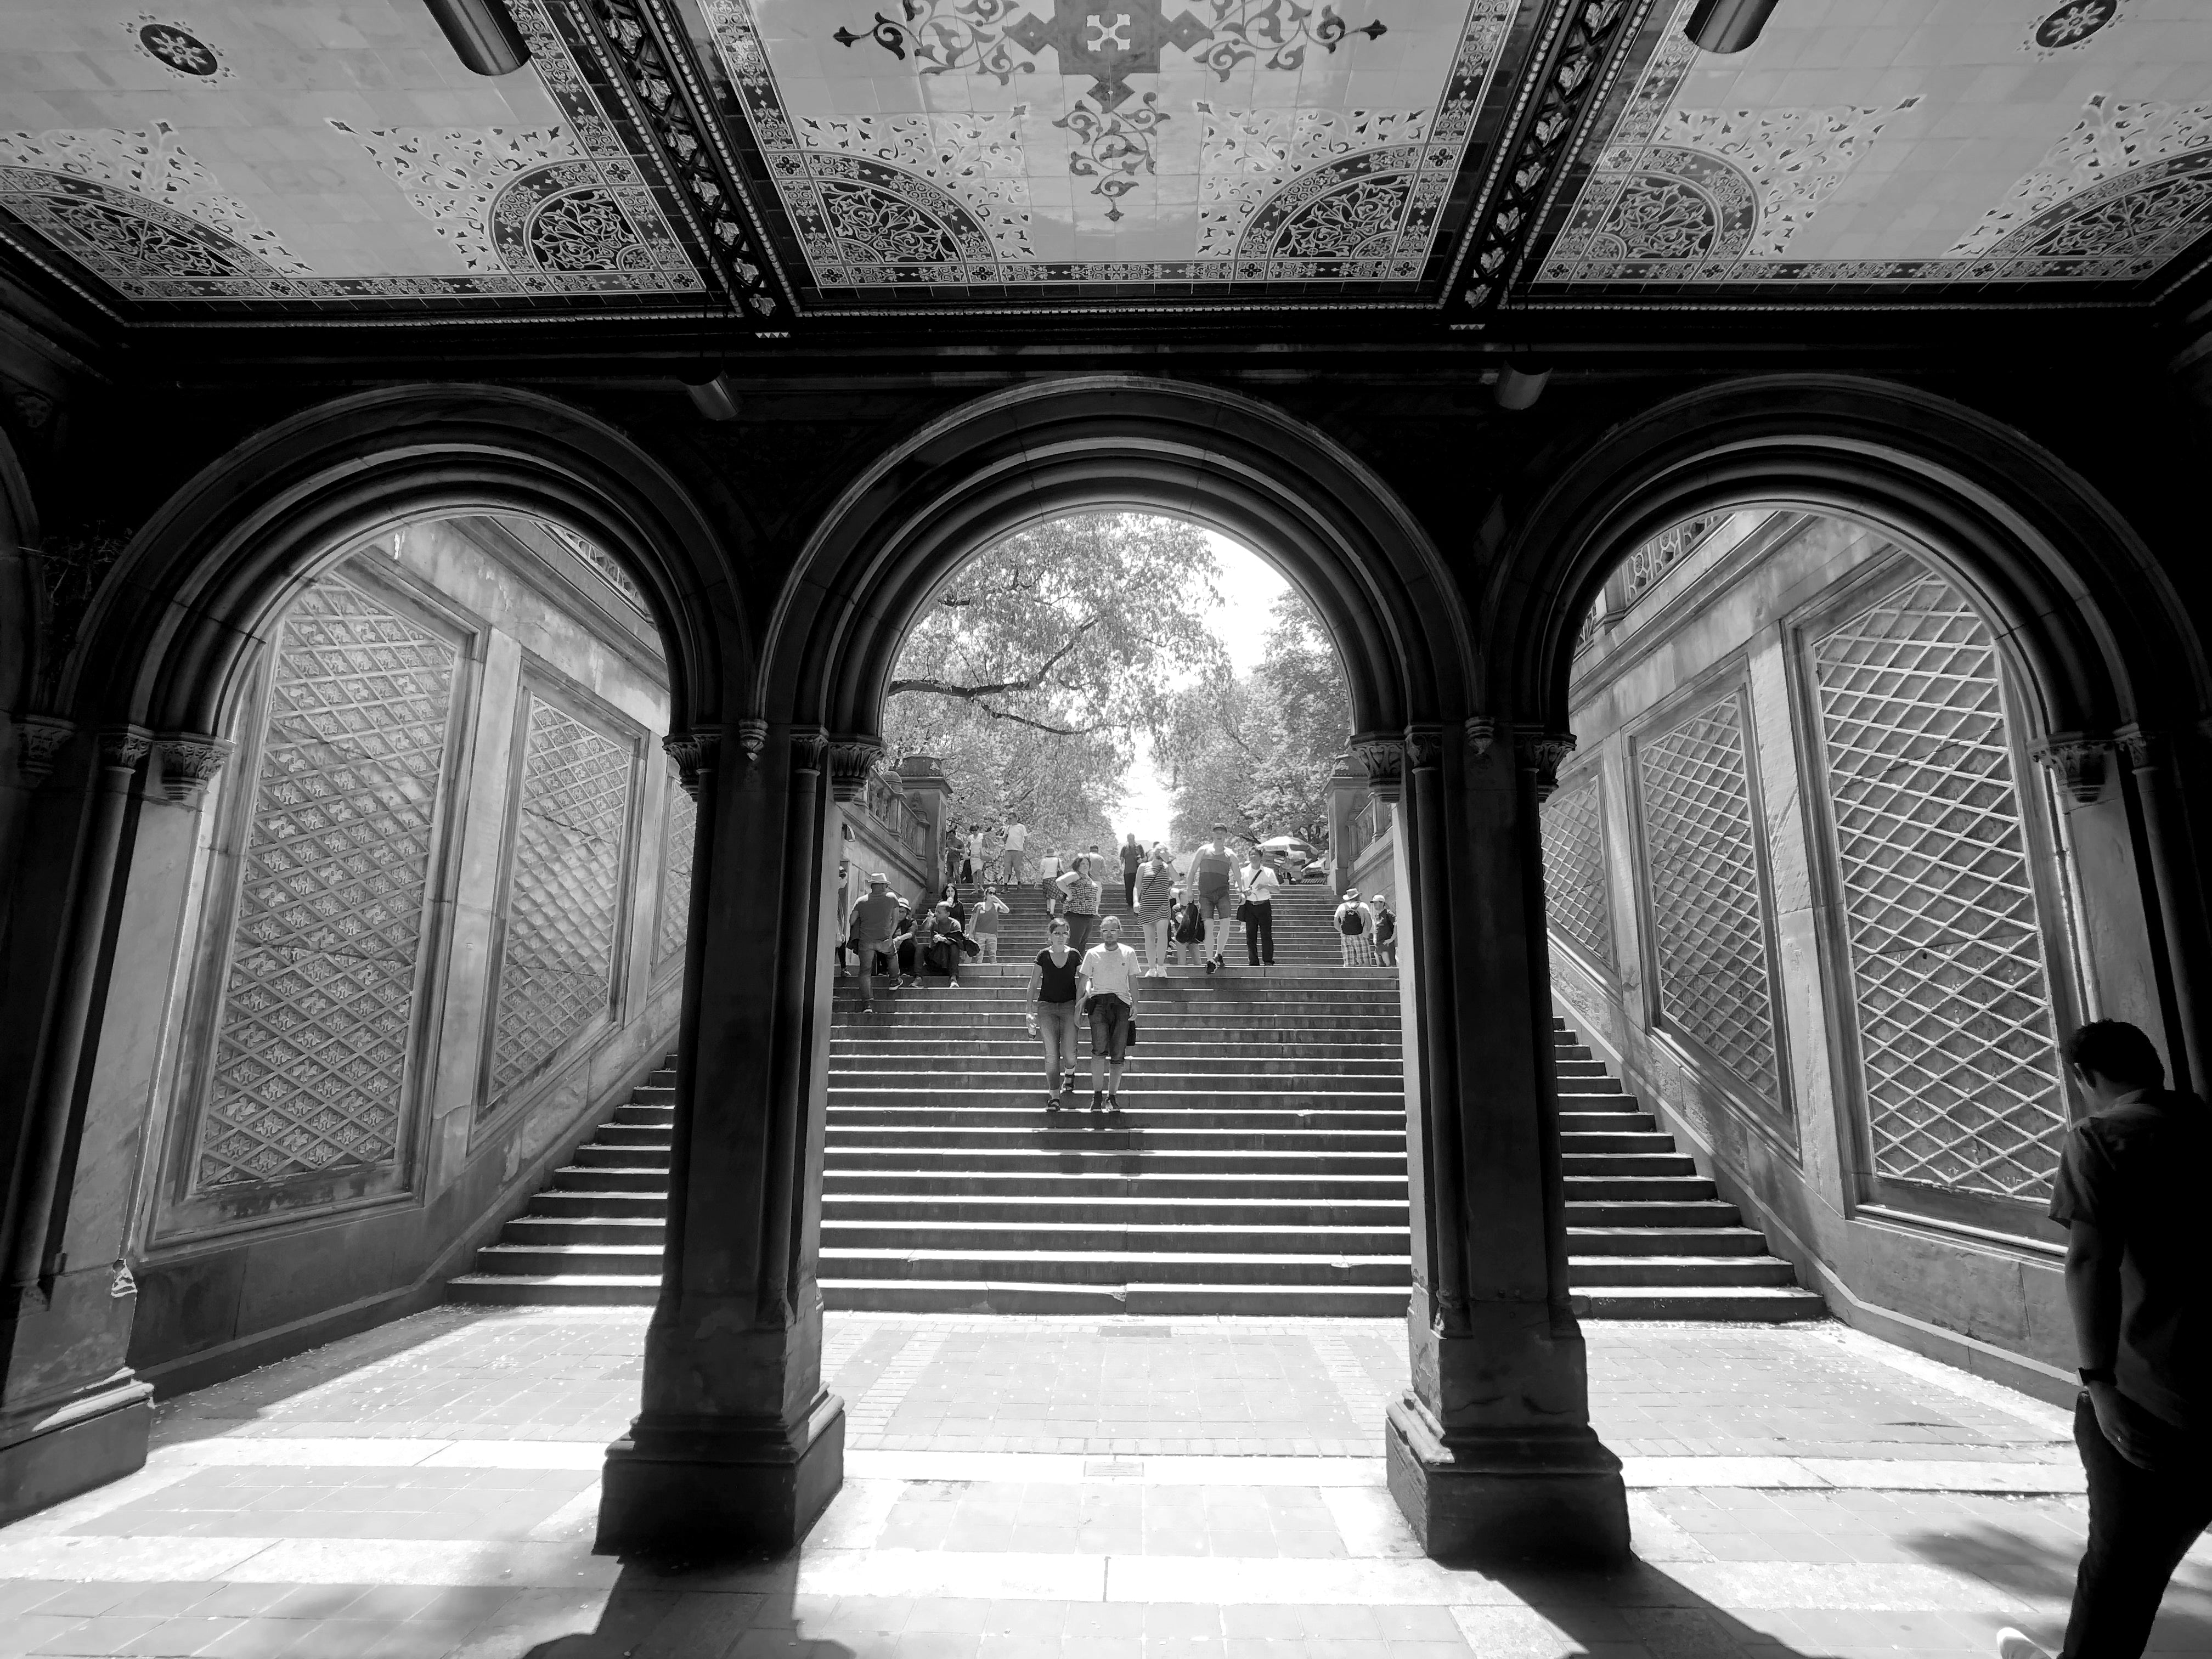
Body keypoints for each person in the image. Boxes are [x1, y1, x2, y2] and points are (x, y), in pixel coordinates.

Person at [1996, 1022, 2212, 1659]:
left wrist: (2099, 1383)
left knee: (2122, 1576)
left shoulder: (2102, 1138)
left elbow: (2090, 1262)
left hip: (2157, 1392)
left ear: (2083, 1077)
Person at [1078, 913, 1141, 1114]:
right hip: (1098, 1004)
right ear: (1101, 933)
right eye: (1105, 930)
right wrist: (1080, 1003)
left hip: (1122, 1003)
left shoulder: (1129, 952)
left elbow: (1133, 980)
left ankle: (1112, 1097)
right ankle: (1097, 1096)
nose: (1109, 934)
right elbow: (1084, 979)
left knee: (1118, 1055)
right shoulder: (1092, 953)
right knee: (1098, 1051)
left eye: (1113, 930)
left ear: (1120, 931)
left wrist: (1136, 1004)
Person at [1023, 916, 1083, 1110]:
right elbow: (1033, 984)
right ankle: (1054, 1096)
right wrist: (1029, 1011)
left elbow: (1084, 979)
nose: (1061, 937)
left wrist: (1085, 996)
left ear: (1068, 935)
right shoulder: (1043, 955)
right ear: (1050, 936)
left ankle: (1070, 1071)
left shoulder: (1075, 955)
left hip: (1069, 1006)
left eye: (1064, 933)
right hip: (1046, 1007)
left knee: (1069, 1052)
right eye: (1056, 933)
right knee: (1051, 1054)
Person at [1188, 822, 1239, 975]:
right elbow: (1192, 872)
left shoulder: (1231, 855)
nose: (1219, 835)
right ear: (1212, 834)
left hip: (1223, 893)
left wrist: (1242, 891)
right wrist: (1189, 889)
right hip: (1206, 894)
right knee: (1209, 926)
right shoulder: (1203, 851)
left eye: (1222, 833)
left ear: (1225, 835)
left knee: (1226, 925)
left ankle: (1219, 954)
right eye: (1217, 832)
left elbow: (1238, 875)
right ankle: (1210, 959)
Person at [848, 873, 902, 1012]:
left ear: (872, 886)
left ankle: (868, 1004)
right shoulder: (891, 898)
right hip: (884, 939)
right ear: (884, 886)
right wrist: (890, 935)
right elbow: (896, 920)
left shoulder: (861, 901)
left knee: (865, 972)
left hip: (866, 941)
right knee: (891, 955)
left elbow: (852, 921)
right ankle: (894, 980)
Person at [1133, 843, 1178, 977]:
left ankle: (1161, 966)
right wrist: (1136, 901)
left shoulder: (1166, 867)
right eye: (1159, 852)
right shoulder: (1143, 867)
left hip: (1162, 904)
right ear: (1154, 852)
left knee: (1163, 933)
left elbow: (1176, 879)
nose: (1160, 854)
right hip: (1147, 905)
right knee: (1150, 938)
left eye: (1163, 852)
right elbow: (1137, 887)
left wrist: (1169, 861)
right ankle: (1151, 968)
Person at [1238, 847, 1278, 967]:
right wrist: (1244, 892)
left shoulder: (1268, 872)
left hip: (1264, 905)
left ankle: (1268, 961)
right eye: (1251, 855)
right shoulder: (1243, 871)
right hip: (1250, 906)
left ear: (1261, 857)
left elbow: (1277, 890)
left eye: (1255, 854)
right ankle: (1253, 962)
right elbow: (1237, 888)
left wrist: (1266, 886)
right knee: (1251, 936)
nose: (1253, 857)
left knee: (1266, 935)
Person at [1057, 853, 1103, 953]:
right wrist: (1069, 893)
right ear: (1078, 865)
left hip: (1089, 916)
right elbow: (1059, 881)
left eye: (1087, 864)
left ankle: (1079, 965)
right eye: (1083, 864)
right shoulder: (1075, 875)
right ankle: (1069, 965)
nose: (1085, 866)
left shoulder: (1089, 878)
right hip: (1076, 915)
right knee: (1074, 943)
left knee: (1083, 944)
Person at [919, 899, 967, 988]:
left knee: (954, 946)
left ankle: (953, 978)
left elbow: (958, 941)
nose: (936, 914)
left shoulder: (955, 924)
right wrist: (928, 919)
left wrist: (943, 939)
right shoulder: (934, 921)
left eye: (939, 912)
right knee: (920, 948)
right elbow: (924, 928)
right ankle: (918, 978)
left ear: (947, 914)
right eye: (936, 911)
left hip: (949, 958)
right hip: (935, 956)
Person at [969, 884, 1008, 963]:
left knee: (993, 956)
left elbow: (1007, 910)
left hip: (992, 934)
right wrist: (971, 933)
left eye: (994, 894)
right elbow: (972, 920)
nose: (992, 895)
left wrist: (999, 901)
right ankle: (978, 972)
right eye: (991, 893)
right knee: (979, 956)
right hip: (980, 933)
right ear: (986, 894)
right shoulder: (979, 905)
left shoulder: (997, 906)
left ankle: (994, 973)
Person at [1334, 888, 1374, 966]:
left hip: (1346, 937)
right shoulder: (1363, 906)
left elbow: (1335, 924)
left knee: (1349, 962)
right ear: (1358, 897)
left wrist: (1343, 932)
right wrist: (1367, 932)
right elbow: (1369, 921)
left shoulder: (1341, 907)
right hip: (1361, 935)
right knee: (1364, 960)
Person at [1372, 893, 1397, 967]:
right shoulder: (1377, 915)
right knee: (1380, 965)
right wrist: (1374, 939)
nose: (1374, 905)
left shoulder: (1388, 913)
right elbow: (1375, 928)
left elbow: (1396, 924)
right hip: (1378, 945)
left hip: (1387, 944)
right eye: (1374, 903)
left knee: (1389, 965)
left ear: (1382, 903)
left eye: (1376, 903)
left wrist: (1392, 939)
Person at [1119, 832, 1143, 911]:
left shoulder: (1139, 847)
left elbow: (1145, 858)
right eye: (1129, 839)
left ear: (1134, 839)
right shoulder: (1125, 848)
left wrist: (1141, 860)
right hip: (1128, 871)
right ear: (1127, 839)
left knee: (1138, 887)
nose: (1131, 841)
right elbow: (1121, 858)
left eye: (1132, 839)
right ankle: (1130, 905)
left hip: (1138, 871)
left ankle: (1139, 903)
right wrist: (1120, 867)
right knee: (1129, 888)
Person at [1038, 848, 1062, 916]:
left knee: (1047, 895)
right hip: (1054, 879)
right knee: (1053, 896)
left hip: (1046, 878)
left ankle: (1048, 908)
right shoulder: (1058, 860)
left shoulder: (1044, 861)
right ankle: (1052, 911)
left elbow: (1041, 871)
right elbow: (1062, 869)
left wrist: (1037, 881)